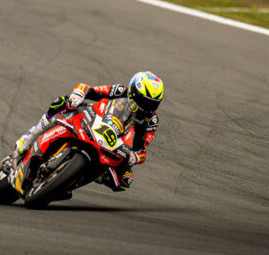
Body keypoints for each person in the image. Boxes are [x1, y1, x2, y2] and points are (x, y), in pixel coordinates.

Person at [9, 71, 164, 192]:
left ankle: (73, 180)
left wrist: (134, 157)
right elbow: (89, 89)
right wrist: (78, 95)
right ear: (134, 91)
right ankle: (27, 139)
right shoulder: (120, 90)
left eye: (153, 104)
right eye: (145, 102)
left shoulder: (151, 121)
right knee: (61, 103)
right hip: (94, 120)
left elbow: (142, 149)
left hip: (115, 145)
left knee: (124, 181)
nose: (147, 107)